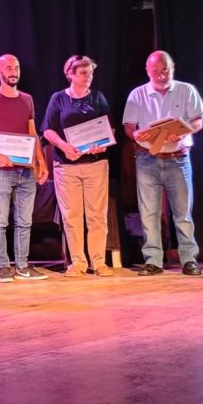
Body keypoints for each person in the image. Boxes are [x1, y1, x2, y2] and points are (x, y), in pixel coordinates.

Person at [122, 50, 203, 277]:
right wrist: (136, 134)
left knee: (183, 212)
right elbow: (129, 127)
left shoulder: (186, 90)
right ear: (147, 71)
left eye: (165, 70)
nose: (161, 76)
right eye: (155, 71)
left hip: (178, 158)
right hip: (147, 159)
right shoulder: (137, 94)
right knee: (149, 212)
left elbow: (198, 121)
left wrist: (184, 131)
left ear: (173, 68)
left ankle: (189, 259)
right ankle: (153, 260)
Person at [0, 54, 49, 283]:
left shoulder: (27, 99)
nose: (13, 71)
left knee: (25, 221)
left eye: (16, 67)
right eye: (8, 67)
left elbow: (32, 134)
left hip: (25, 170)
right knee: (0, 220)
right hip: (0, 169)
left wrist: (41, 161)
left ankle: (23, 266)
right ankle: (3, 267)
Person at [41, 55, 113, 277]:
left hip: (95, 164)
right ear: (70, 74)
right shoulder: (58, 98)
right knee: (71, 216)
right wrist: (64, 146)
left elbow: (108, 128)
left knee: (97, 215)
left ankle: (99, 262)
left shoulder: (98, 97)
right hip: (66, 166)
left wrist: (102, 144)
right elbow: (48, 130)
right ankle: (78, 262)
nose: (87, 77)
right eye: (83, 73)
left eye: (90, 73)